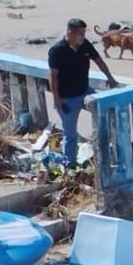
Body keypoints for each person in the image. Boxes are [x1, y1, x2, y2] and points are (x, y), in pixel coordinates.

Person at [47, 18, 118, 166]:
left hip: (85, 90)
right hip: (67, 97)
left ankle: (107, 153)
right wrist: (56, 97)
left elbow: (98, 60)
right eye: (80, 34)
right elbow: (52, 76)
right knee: (70, 133)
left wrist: (110, 77)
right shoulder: (57, 50)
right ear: (70, 32)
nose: (82, 37)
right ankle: (70, 164)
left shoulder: (85, 45)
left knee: (105, 109)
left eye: (84, 33)